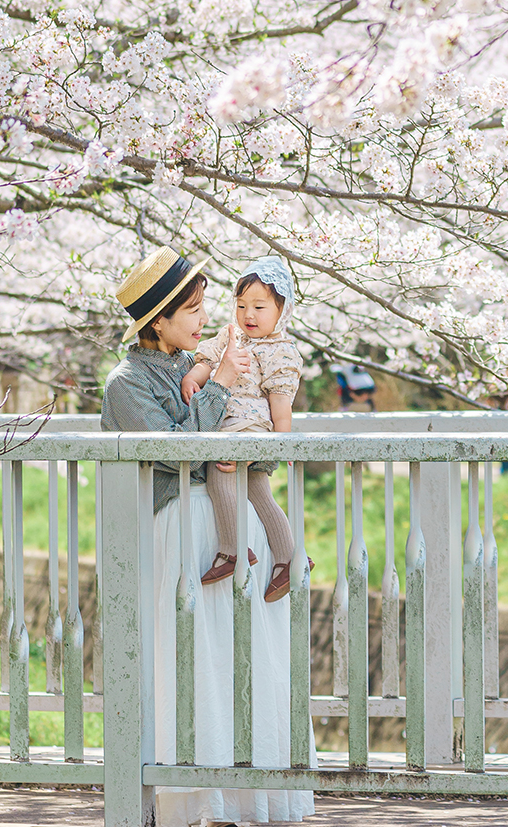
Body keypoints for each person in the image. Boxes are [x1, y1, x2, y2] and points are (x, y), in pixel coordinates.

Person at [101, 244, 315, 827]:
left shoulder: (193, 361)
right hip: (182, 528)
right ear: (159, 321)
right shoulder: (127, 384)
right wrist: (218, 381)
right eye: (192, 311)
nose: (204, 320)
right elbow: (175, 452)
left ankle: (255, 794)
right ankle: (196, 799)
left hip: (230, 520)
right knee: (194, 659)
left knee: (247, 655)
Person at [181, 256, 305, 602]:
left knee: (219, 474)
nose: (248, 315)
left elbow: (281, 406)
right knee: (260, 494)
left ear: (282, 310)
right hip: (229, 423)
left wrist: (280, 445)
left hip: (248, 429)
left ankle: (232, 549)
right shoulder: (230, 335)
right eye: (241, 305)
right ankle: (288, 560)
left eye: (260, 307)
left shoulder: (281, 352)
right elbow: (208, 361)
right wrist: (194, 376)